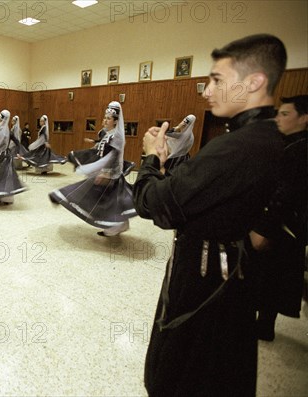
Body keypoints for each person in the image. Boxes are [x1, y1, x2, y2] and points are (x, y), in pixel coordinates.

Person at [133, 34, 287, 396]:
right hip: (228, 271)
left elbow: (154, 203)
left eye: (217, 80)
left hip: (205, 281)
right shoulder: (269, 138)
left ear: (254, 82)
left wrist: (151, 159)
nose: (206, 90)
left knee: (187, 370)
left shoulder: (235, 148)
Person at [252, 94, 307, 341]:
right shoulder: (289, 144)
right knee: (268, 277)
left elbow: (284, 194)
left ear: (304, 118)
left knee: (270, 276)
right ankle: (263, 324)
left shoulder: (298, 150)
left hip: (282, 227)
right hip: (283, 225)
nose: (278, 118)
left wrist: (264, 229)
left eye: (285, 114)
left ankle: (262, 325)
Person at [50, 102, 136, 236]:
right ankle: (119, 225)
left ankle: (59, 195)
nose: (105, 120)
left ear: (115, 121)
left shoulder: (116, 137)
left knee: (104, 200)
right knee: (110, 202)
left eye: (108, 118)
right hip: (107, 174)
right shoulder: (108, 134)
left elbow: (111, 157)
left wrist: (97, 171)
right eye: (105, 117)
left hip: (110, 175)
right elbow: (102, 153)